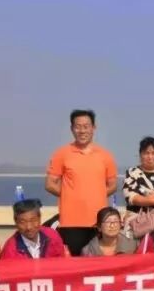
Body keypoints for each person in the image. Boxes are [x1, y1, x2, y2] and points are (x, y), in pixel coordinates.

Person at [45, 109, 119, 256]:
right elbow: (50, 184)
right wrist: (70, 194)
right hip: (71, 222)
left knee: (98, 263)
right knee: (74, 262)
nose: (82, 131)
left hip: (99, 222)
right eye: (78, 126)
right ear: (72, 128)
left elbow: (112, 185)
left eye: (86, 126)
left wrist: (95, 194)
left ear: (93, 128)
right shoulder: (62, 153)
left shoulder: (105, 155)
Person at [0, 199, 67, 259]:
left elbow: (61, 265)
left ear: (39, 219)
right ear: (16, 223)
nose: (29, 227)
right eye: (23, 222)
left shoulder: (52, 236)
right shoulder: (10, 249)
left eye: (33, 220)